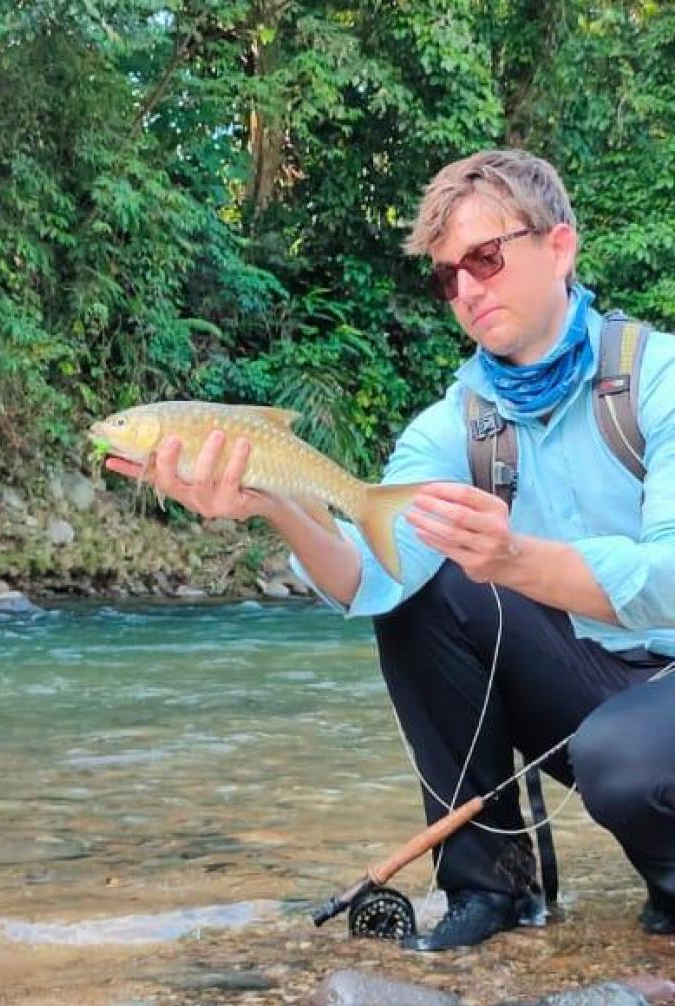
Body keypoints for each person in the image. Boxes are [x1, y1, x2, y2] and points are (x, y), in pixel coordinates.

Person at [106, 149, 675, 951]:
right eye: (447, 276)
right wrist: (274, 503)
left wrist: (515, 559)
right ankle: (489, 888)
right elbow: (373, 577)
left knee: (623, 755)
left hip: (658, 692)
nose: (467, 289)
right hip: (587, 689)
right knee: (425, 590)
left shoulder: (658, 378)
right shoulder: (454, 424)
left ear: (559, 248)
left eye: (486, 258)